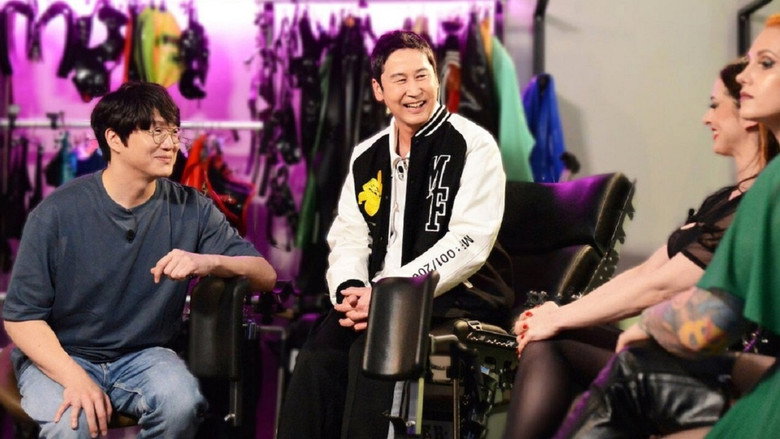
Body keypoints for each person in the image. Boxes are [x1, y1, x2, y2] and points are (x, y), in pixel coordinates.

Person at [502, 59, 779, 439]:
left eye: (715, 105)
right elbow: (647, 273)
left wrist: (561, 319)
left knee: (561, 343)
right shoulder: (725, 200)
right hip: (702, 354)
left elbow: (663, 288)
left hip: (731, 364)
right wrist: (557, 313)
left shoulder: (754, 203)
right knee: (549, 337)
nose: (706, 117)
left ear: (746, 115)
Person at [2, 81, 277, 438]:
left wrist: (207, 262)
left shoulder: (192, 208)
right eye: (156, 131)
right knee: (72, 424)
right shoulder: (56, 213)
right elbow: (21, 318)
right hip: (63, 354)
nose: (171, 143)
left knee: (181, 406)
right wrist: (75, 379)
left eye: (174, 131)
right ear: (115, 139)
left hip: (144, 355)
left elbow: (264, 274)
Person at [277, 30, 511, 439]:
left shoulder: (474, 145)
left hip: (449, 297)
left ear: (437, 78)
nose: (414, 90)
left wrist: (390, 292)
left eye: (422, 76)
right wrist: (350, 288)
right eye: (400, 80)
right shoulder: (366, 156)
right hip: (373, 296)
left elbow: (469, 241)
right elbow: (350, 235)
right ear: (378, 90)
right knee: (318, 356)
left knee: (370, 351)